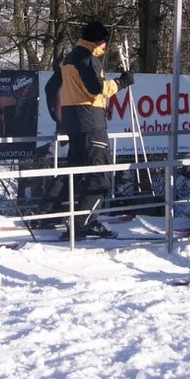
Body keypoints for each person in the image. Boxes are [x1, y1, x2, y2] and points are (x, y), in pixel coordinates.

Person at [53, 20, 134, 239]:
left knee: (77, 171)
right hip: (90, 122)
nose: (105, 47)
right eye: (104, 42)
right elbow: (96, 89)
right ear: (99, 40)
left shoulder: (70, 57)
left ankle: (51, 213)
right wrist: (121, 82)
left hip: (73, 119)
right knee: (100, 173)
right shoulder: (89, 58)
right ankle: (83, 223)